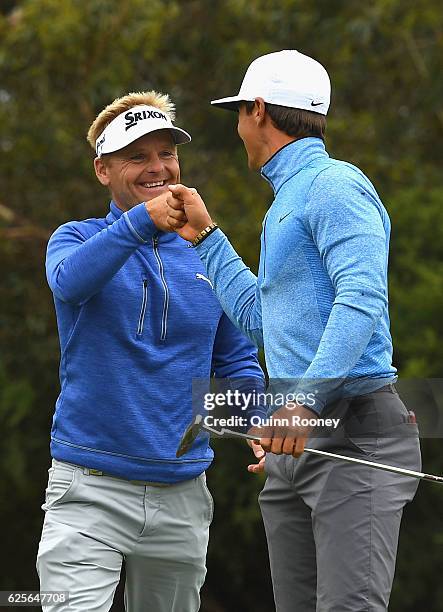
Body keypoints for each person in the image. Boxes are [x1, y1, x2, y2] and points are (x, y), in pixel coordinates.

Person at [165, 50, 421, 611]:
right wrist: (208, 238)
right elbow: (263, 317)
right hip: (298, 441)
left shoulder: (334, 185)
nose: (237, 128)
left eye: (238, 113)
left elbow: (362, 301)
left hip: (357, 430)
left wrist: (302, 405)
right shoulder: (288, 200)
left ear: (258, 111)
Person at [36, 90, 265, 612]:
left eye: (166, 154)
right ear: (103, 170)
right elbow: (70, 283)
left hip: (182, 494)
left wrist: (256, 423)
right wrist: (143, 222)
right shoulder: (75, 238)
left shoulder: (205, 251)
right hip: (88, 489)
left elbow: (234, 360)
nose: (157, 167)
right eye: (137, 157)